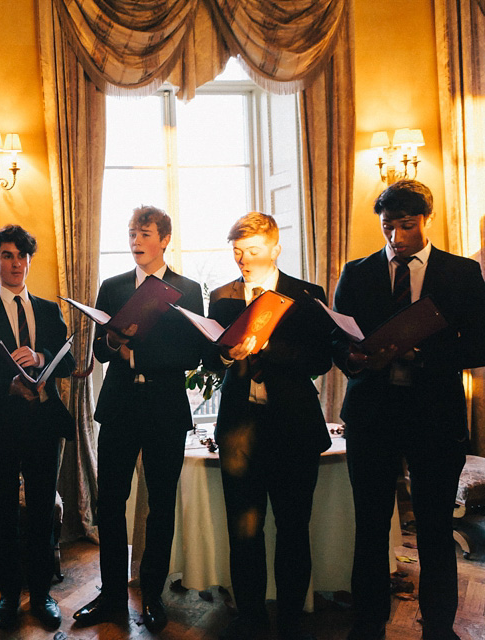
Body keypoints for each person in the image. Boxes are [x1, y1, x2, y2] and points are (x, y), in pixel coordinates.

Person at [332, 180, 485, 640]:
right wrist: (353, 357)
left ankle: (439, 628)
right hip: (371, 415)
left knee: (435, 527)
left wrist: (422, 355)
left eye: (406, 225)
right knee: (371, 524)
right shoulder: (355, 272)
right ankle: (368, 624)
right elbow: (338, 341)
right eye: (387, 227)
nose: (396, 237)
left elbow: (479, 344)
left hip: (434, 416)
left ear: (427, 220)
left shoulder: (460, 273)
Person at [73, 205, 205, 633]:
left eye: (145, 233)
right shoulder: (111, 287)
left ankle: (152, 594)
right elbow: (98, 353)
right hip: (120, 407)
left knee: (161, 504)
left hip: (165, 408)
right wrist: (113, 343)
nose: (135, 241)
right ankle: (111, 594)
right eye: (131, 233)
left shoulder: (186, 288)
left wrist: (139, 349)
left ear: (164, 239)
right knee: (110, 502)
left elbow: (193, 355)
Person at [205, 212, 333, 640]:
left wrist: (267, 348)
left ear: (276, 249)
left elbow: (320, 360)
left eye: (253, 251)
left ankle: (293, 620)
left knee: (294, 527)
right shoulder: (222, 297)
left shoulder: (305, 294)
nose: (243, 259)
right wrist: (226, 355)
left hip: (293, 427)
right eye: (238, 251)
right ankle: (251, 617)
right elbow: (210, 359)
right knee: (244, 530)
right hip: (240, 428)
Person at [0, 225, 75, 631]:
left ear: (29, 261)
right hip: (0, 427)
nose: (16, 263)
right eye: (7, 255)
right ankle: (9, 596)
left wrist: (42, 356)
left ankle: (42, 595)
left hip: (44, 425)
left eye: (22, 256)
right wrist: (7, 383)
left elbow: (68, 360)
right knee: (6, 516)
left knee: (42, 513)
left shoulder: (47, 309)